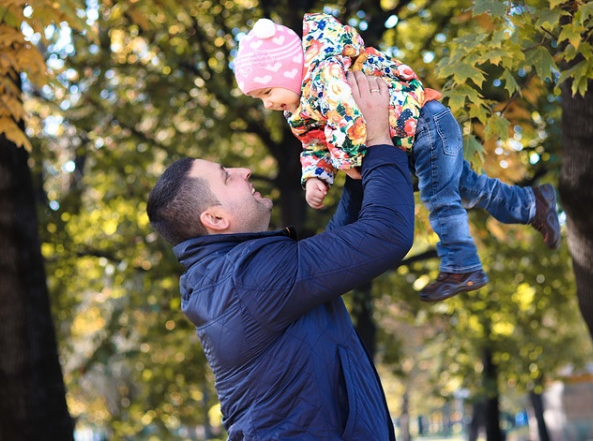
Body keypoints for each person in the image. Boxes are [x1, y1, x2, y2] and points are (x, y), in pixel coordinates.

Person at [146, 72, 412, 441]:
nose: (244, 171)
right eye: (226, 176)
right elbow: (387, 234)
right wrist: (381, 138)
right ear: (216, 219)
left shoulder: (234, 277)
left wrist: (356, 172)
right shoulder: (247, 280)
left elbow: (337, 254)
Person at [232, 13, 561, 303]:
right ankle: (533, 204)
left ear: (289, 73)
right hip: (411, 140)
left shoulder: (324, 77)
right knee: (468, 188)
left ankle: (462, 264)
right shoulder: (300, 109)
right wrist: (317, 176)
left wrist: (346, 165)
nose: (267, 104)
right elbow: (315, 145)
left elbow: (348, 119)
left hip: (426, 125)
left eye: (267, 93)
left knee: (441, 197)